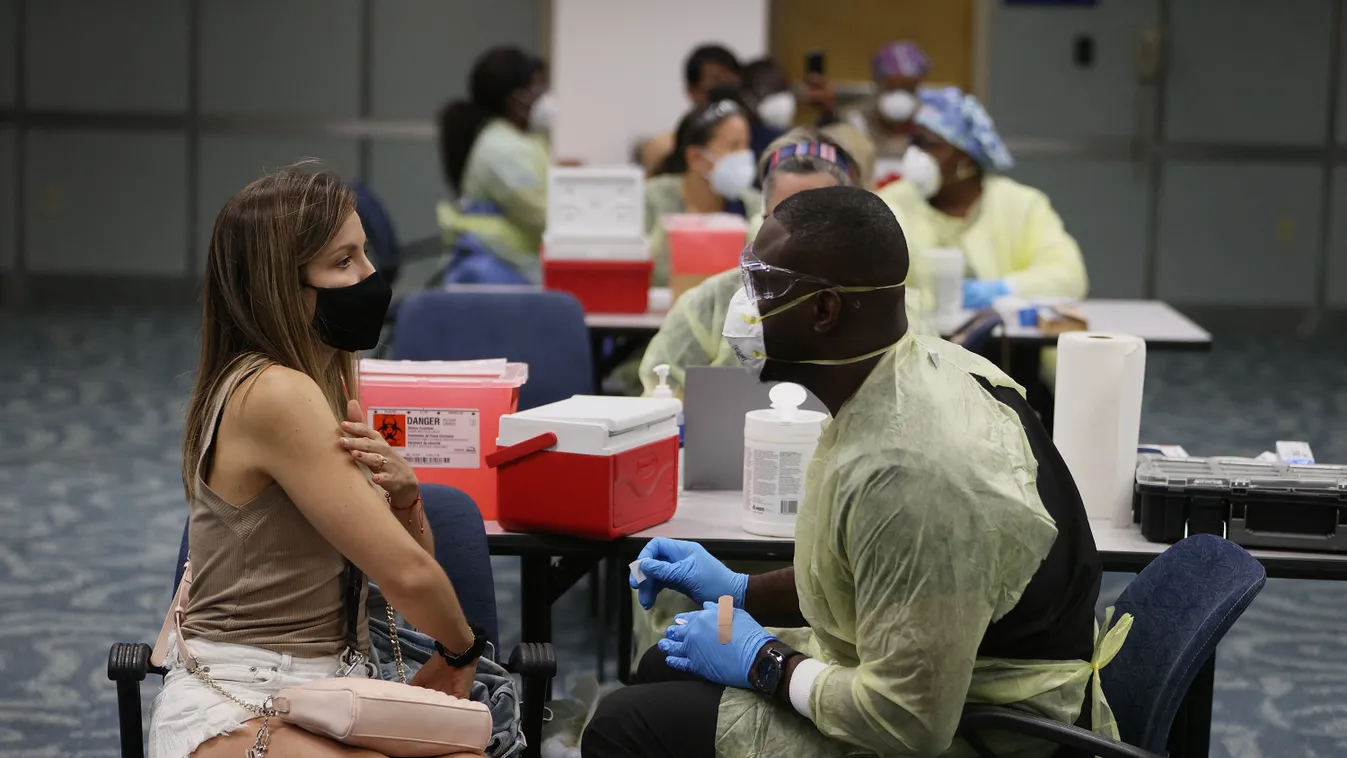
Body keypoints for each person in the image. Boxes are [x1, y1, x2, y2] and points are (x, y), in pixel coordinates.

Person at [583, 186, 1128, 758]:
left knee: (623, 727)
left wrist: (767, 662)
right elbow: (879, 580)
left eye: (764, 286)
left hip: (985, 729)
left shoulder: (913, 470)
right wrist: (742, 591)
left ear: (824, 310)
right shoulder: (898, 377)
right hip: (946, 676)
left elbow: (908, 723)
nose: (745, 304)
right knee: (658, 665)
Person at [150, 167, 489, 757]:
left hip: (331, 684)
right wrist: (460, 652)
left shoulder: (325, 380)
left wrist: (406, 498)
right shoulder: (276, 392)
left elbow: (399, 569)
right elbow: (409, 579)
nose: (370, 277)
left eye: (365, 255)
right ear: (281, 286)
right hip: (238, 693)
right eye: (343, 262)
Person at [638, 127, 924, 399]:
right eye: (783, 221)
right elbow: (661, 403)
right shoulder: (710, 307)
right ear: (762, 220)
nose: (799, 240)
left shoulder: (893, 314)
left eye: (818, 224)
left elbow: (915, 410)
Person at [880, 86, 1087, 312]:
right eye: (914, 143)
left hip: (1005, 344)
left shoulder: (1021, 205)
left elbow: (1070, 277)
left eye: (931, 145)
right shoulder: (890, 205)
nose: (916, 155)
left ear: (966, 158)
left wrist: (1003, 290)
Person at [436, 47, 551, 283]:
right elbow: (544, 215)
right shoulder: (502, 150)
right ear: (515, 100)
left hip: (509, 260)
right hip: (498, 267)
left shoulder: (519, 139)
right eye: (538, 88)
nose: (546, 96)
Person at [646, 99, 762, 287]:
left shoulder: (753, 206)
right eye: (734, 146)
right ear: (696, 157)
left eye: (746, 145)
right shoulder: (651, 200)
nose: (745, 156)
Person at [639, 44, 744, 175]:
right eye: (717, 81)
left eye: (731, 82)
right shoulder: (664, 147)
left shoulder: (755, 142)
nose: (726, 92)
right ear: (692, 90)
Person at [839, 40, 932, 159]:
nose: (899, 97)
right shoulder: (855, 121)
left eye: (907, 89)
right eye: (892, 89)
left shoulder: (933, 123)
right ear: (878, 83)